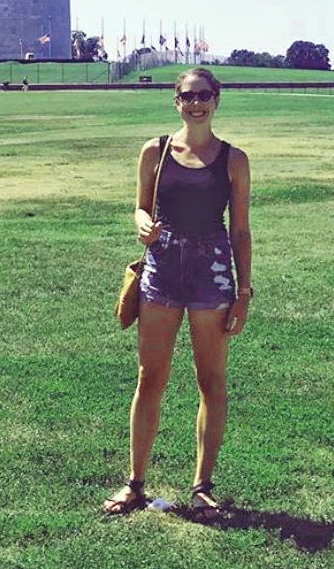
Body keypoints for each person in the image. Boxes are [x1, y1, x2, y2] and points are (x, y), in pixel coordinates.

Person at [103, 67, 252, 520]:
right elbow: (140, 207)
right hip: (163, 269)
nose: (196, 104)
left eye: (204, 95)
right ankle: (135, 483)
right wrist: (140, 223)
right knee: (151, 377)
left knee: (211, 380)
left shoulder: (233, 159)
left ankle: (202, 486)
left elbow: (241, 229)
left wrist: (244, 290)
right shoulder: (157, 151)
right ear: (176, 102)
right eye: (188, 96)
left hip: (212, 273)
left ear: (217, 100)